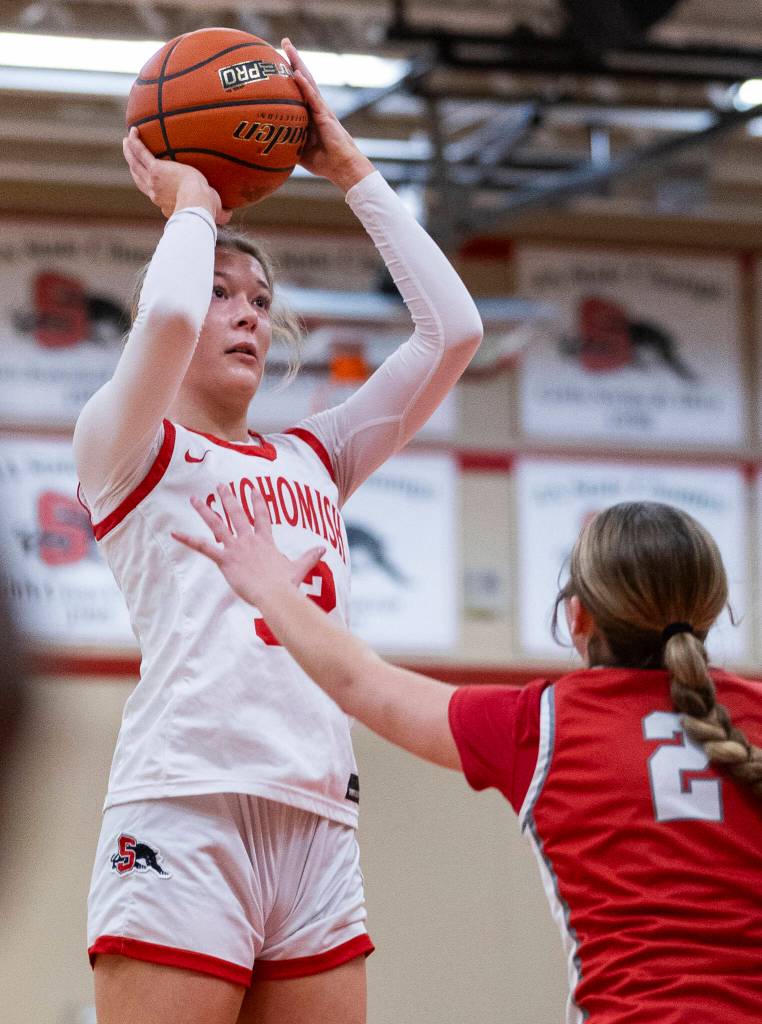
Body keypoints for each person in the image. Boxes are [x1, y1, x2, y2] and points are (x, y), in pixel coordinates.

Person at [73, 38, 482, 1024]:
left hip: (318, 818)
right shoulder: (128, 443)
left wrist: (351, 170)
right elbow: (166, 313)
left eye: (261, 300)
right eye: (224, 293)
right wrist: (194, 208)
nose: (246, 314)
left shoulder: (316, 456)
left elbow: (453, 331)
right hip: (186, 805)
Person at [174, 491, 762, 1024]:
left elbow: (360, 682)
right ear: (711, 612)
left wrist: (270, 588)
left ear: (576, 616)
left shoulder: (544, 724)